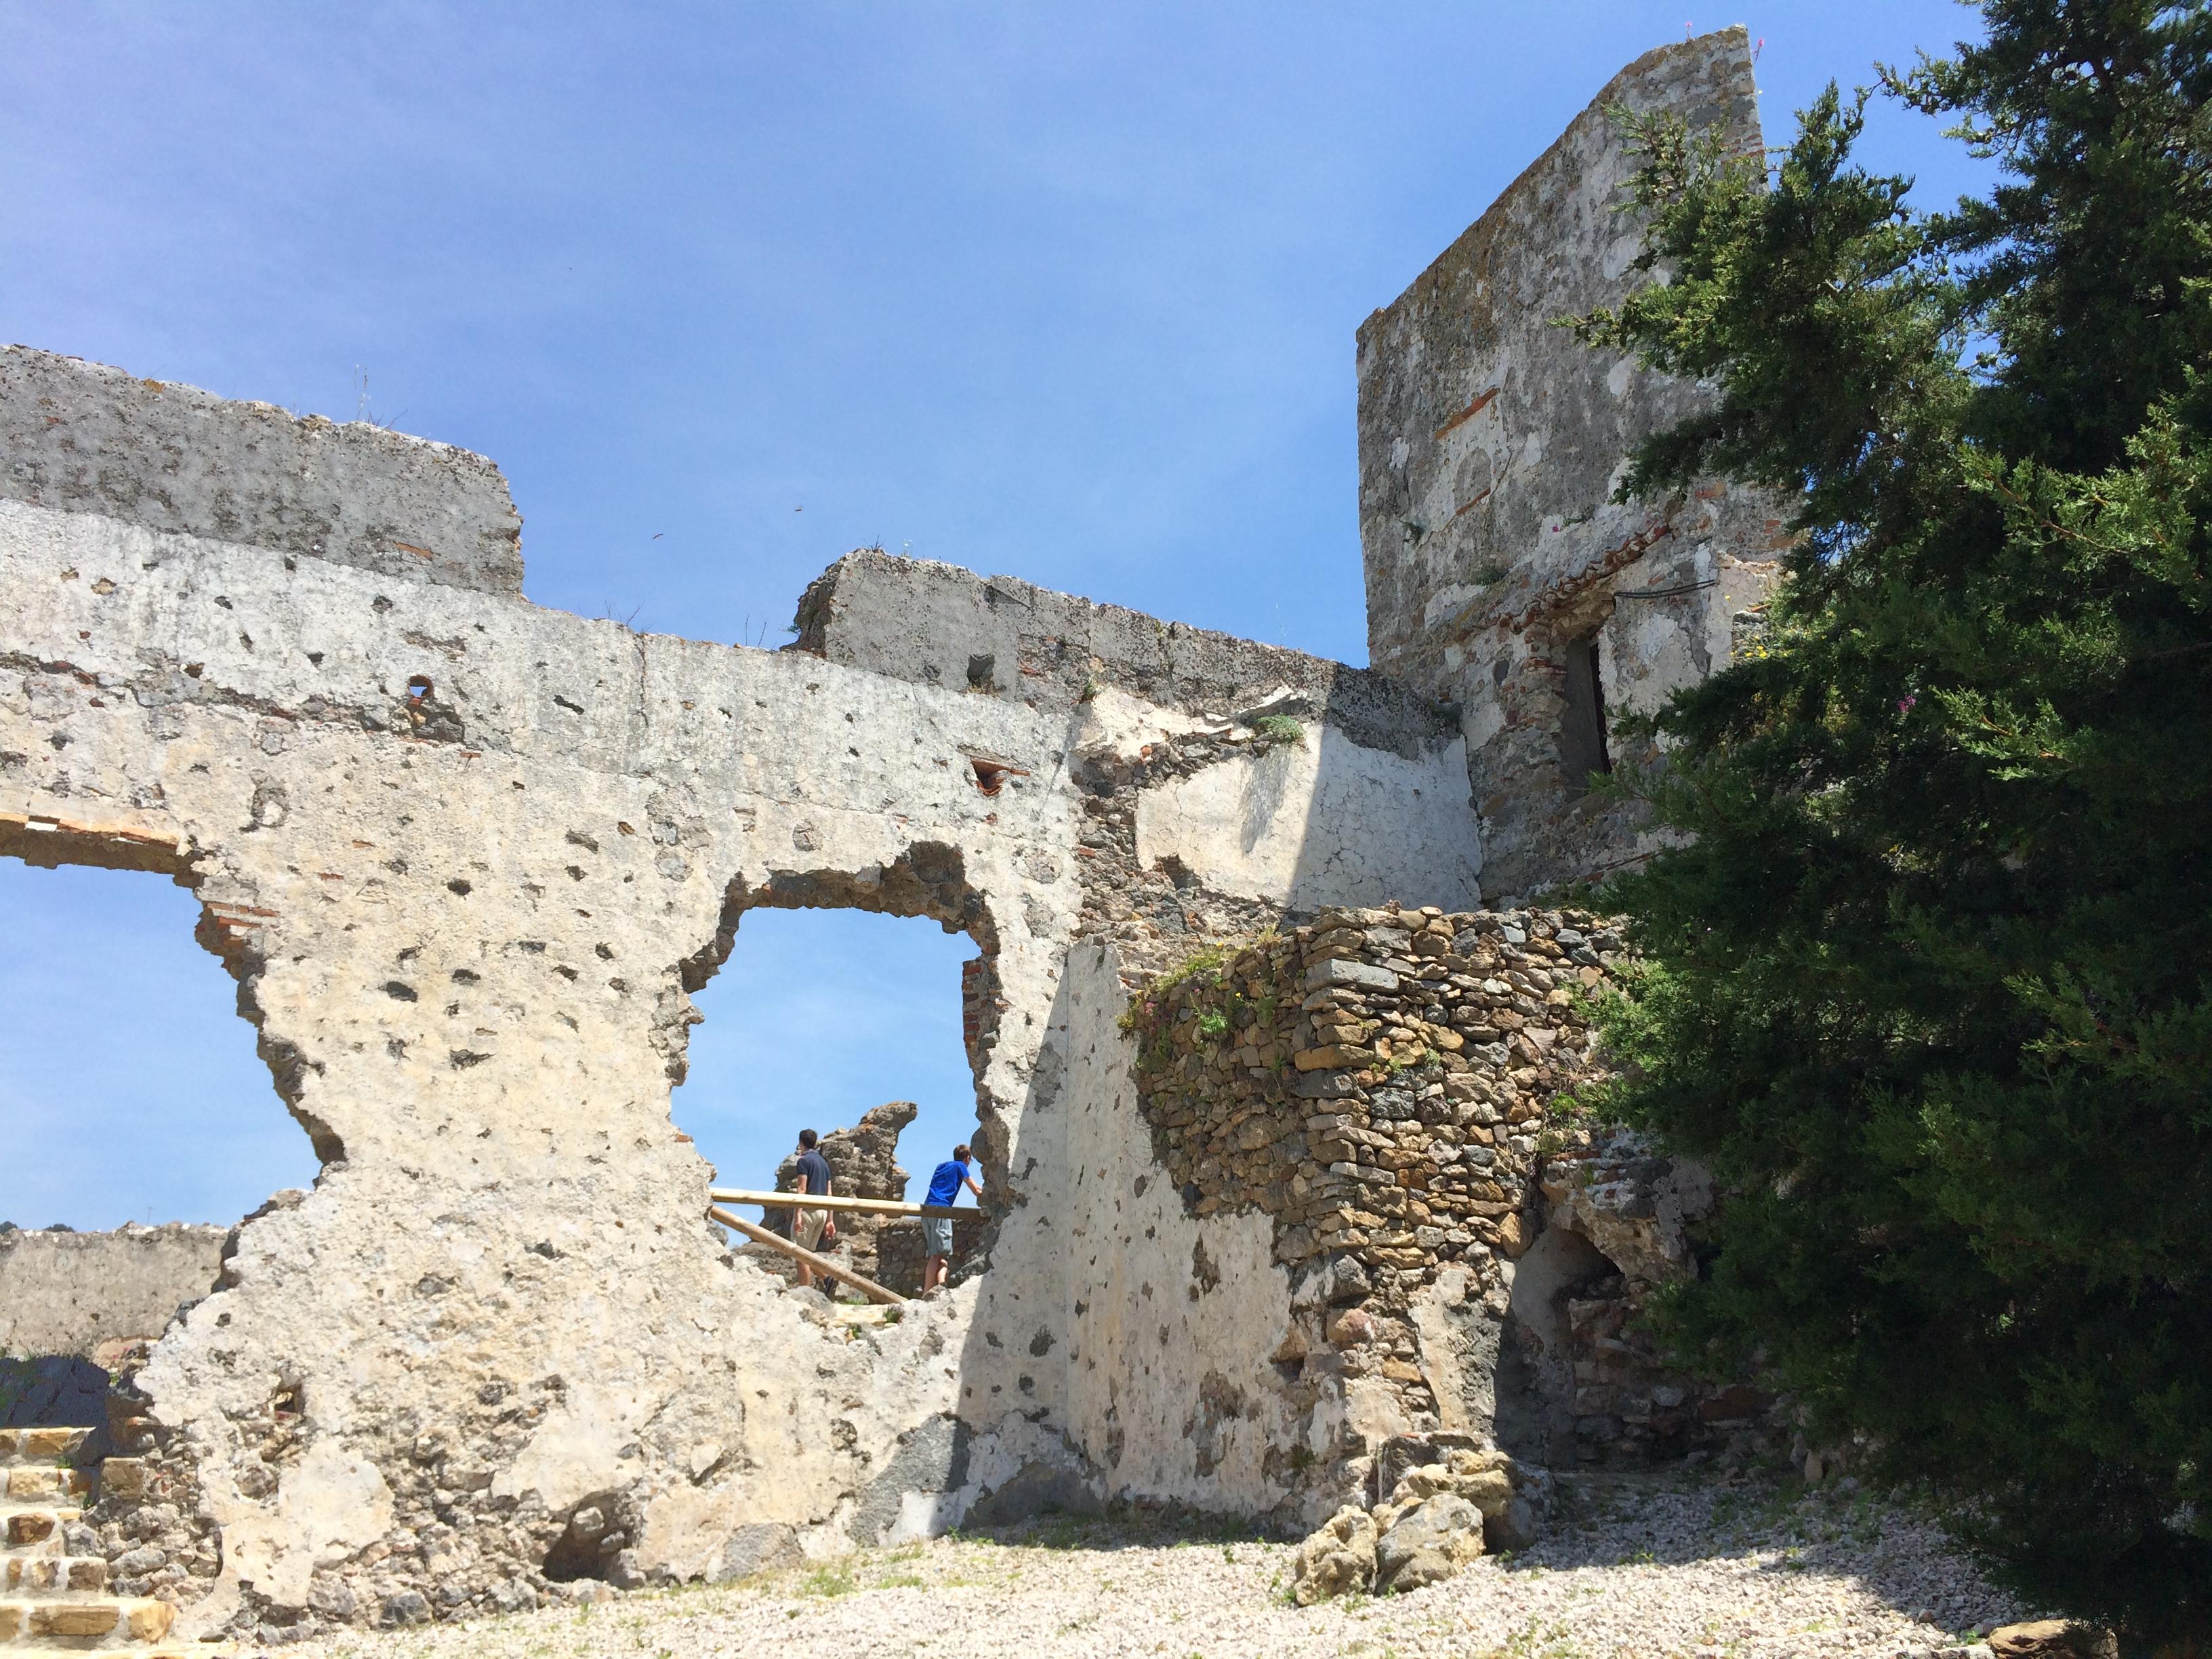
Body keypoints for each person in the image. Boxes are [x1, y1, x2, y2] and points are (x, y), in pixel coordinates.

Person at [920, 1143, 983, 1295]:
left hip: (927, 1211)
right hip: (942, 1210)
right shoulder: (961, 1166)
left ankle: (938, 1287)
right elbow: (975, 1190)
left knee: (937, 1254)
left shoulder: (941, 1166)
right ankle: (930, 1291)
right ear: (967, 1158)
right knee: (939, 1254)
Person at [789, 1129, 836, 1290]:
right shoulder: (824, 1163)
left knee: (800, 1255)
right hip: (822, 1213)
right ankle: (827, 1278)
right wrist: (830, 1220)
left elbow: (802, 1189)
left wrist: (798, 1215)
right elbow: (830, 1193)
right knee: (808, 1254)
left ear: (801, 1143)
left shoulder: (804, 1161)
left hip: (808, 1212)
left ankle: (805, 1293)